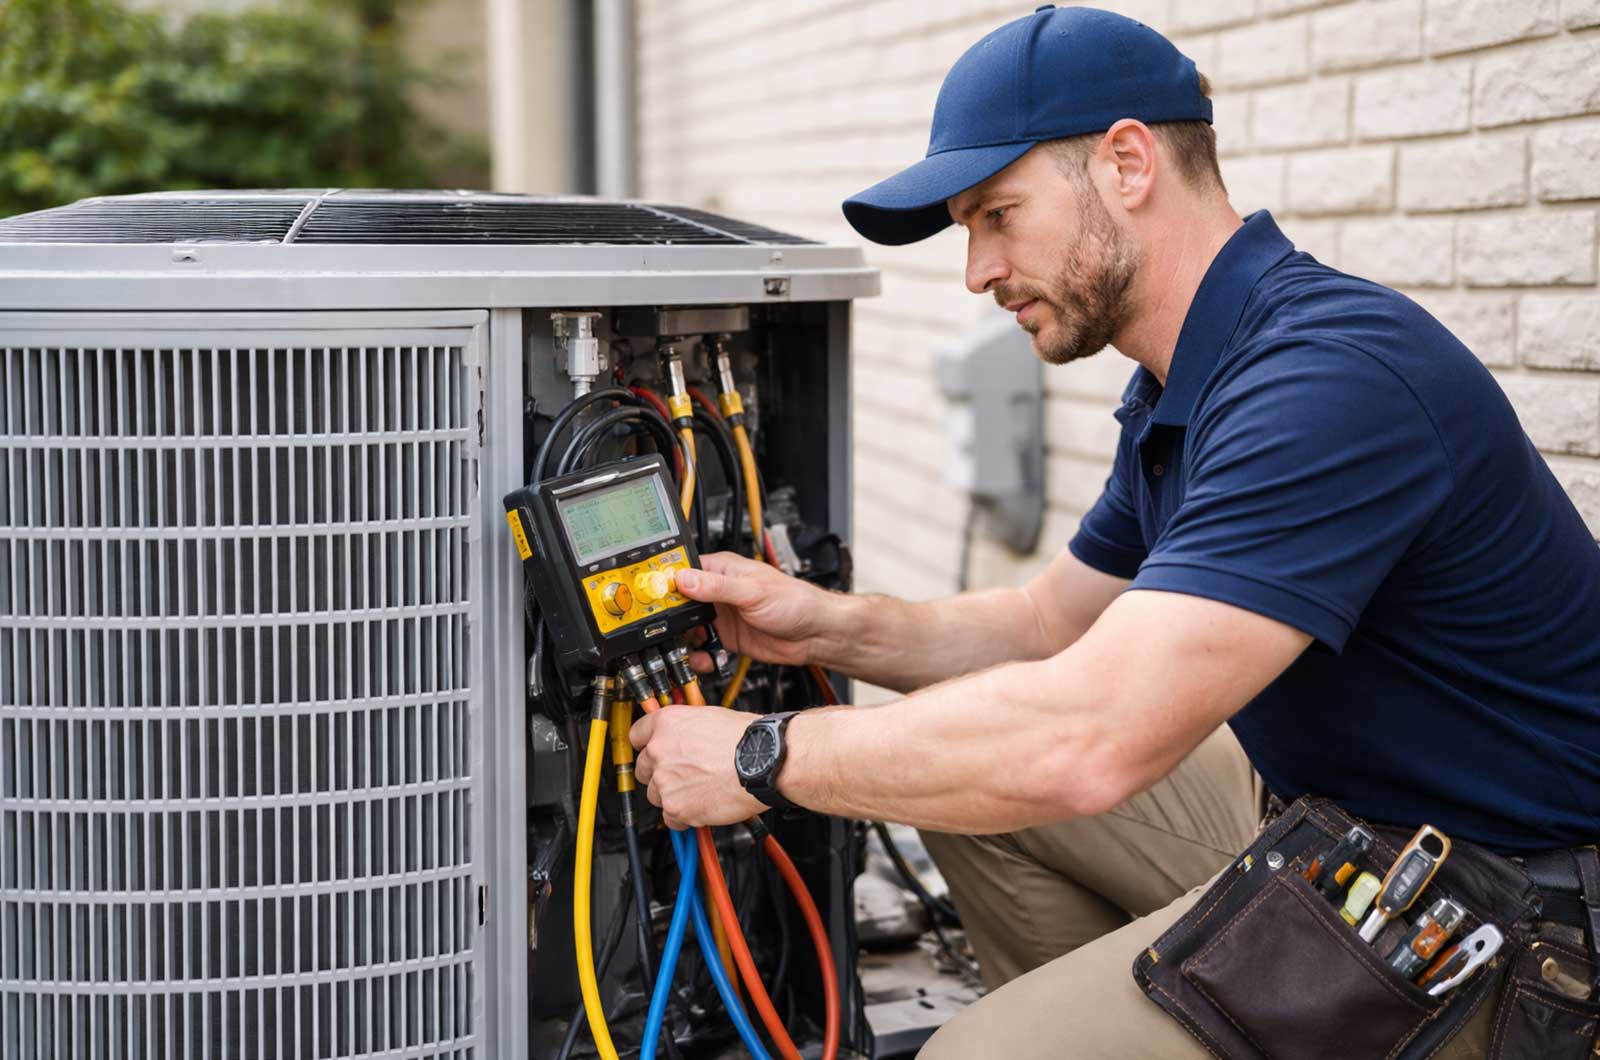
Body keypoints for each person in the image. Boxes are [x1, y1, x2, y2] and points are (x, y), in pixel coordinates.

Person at [631, 6, 1600, 1056]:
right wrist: (822, 627)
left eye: (997, 215)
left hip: (1516, 915)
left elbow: (1091, 740)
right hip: (1337, 820)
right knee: (968, 751)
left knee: (971, 1047)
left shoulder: (1323, 380)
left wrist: (764, 754)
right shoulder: (1187, 380)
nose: (977, 272)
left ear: (1127, 163)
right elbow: (1049, 626)